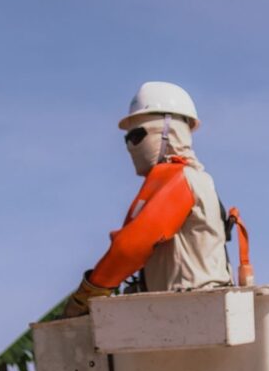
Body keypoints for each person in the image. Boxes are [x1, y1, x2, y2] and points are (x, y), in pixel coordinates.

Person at [62, 81, 233, 318]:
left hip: (189, 314)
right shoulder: (193, 179)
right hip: (189, 312)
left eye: (136, 136)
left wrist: (88, 293)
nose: (130, 147)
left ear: (168, 131)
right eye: (126, 139)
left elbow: (129, 248)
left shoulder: (179, 179)